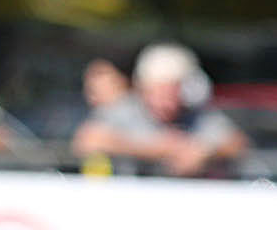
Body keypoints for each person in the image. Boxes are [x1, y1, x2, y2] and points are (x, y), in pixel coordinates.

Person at [72, 42, 247, 178]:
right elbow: (87, 141)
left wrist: (205, 153)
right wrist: (158, 149)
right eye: (159, 91)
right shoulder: (123, 110)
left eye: (172, 92)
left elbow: (237, 144)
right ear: (143, 88)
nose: (166, 101)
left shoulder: (199, 115)